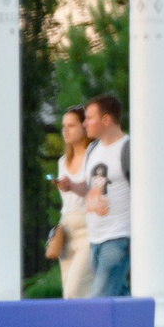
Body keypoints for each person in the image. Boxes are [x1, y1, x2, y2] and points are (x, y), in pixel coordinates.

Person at [69, 93, 131, 298]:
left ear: (106, 119)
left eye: (89, 118)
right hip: (95, 239)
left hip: (118, 238)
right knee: (119, 298)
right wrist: (71, 186)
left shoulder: (128, 149)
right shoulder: (93, 149)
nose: (84, 123)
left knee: (99, 300)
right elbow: (90, 189)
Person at [45, 107, 94, 302]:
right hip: (66, 231)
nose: (65, 130)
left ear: (84, 127)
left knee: (76, 288)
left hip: (88, 230)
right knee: (69, 293)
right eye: (63, 126)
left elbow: (95, 190)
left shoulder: (94, 156)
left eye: (71, 125)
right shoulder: (63, 161)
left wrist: (72, 185)